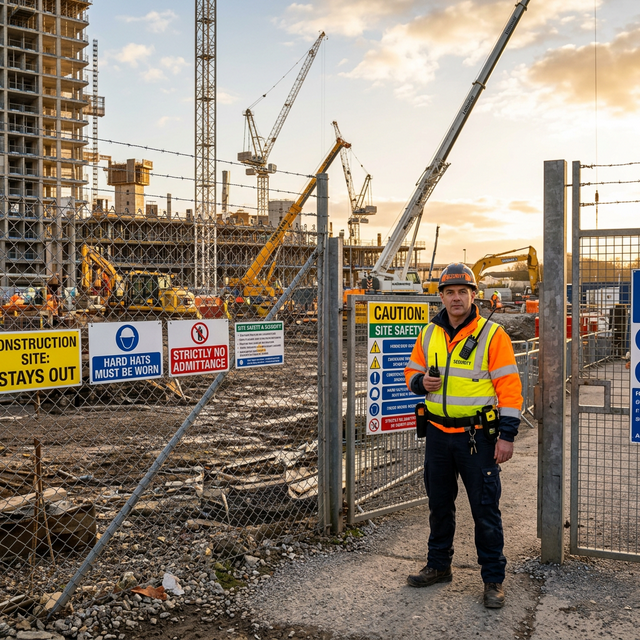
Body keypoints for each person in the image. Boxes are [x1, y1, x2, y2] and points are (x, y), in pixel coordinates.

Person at [404, 262, 522, 609]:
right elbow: (411, 370)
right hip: (439, 435)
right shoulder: (428, 334)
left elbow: (510, 389)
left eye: (462, 292)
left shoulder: (492, 335)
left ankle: (493, 580)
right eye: (449, 292)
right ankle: (439, 566)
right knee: (439, 506)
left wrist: (507, 436)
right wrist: (419, 382)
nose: (456, 299)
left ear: (474, 296)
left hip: (477, 438)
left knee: (485, 509)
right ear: (441, 297)